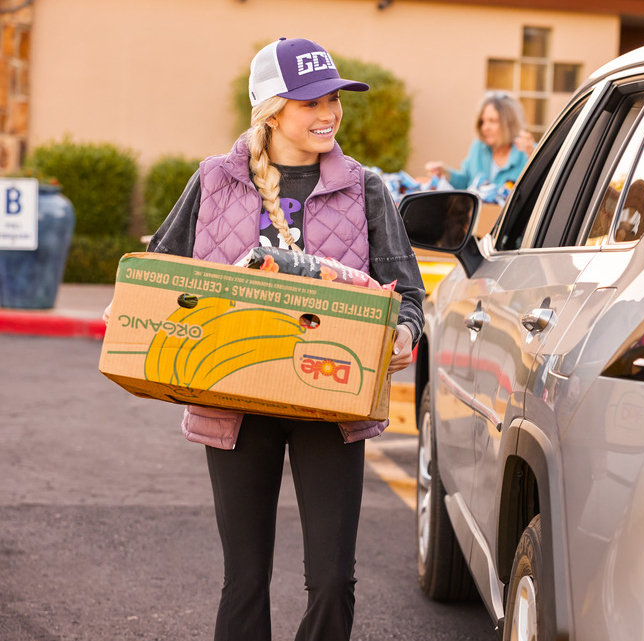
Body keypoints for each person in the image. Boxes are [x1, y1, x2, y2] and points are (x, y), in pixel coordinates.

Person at [130, 37, 425, 641]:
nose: (329, 113)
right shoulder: (215, 180)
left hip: (331, 400)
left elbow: (409, 292)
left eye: (335, 99)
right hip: (234, 399)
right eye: (311, 101)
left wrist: (402, 331)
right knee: (243, 580)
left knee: (334, 581)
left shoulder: (365, 188)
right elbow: (162, 274)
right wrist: (131, 309)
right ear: (270, 108)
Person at [425, 91, 534, 189]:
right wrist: (445, 174)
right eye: (483, 121)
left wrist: (532, 155)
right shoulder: (478, 147)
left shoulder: (527, 152)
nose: (485, 127)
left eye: (492, 121)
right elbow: (465, 180)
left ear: (509, 124)